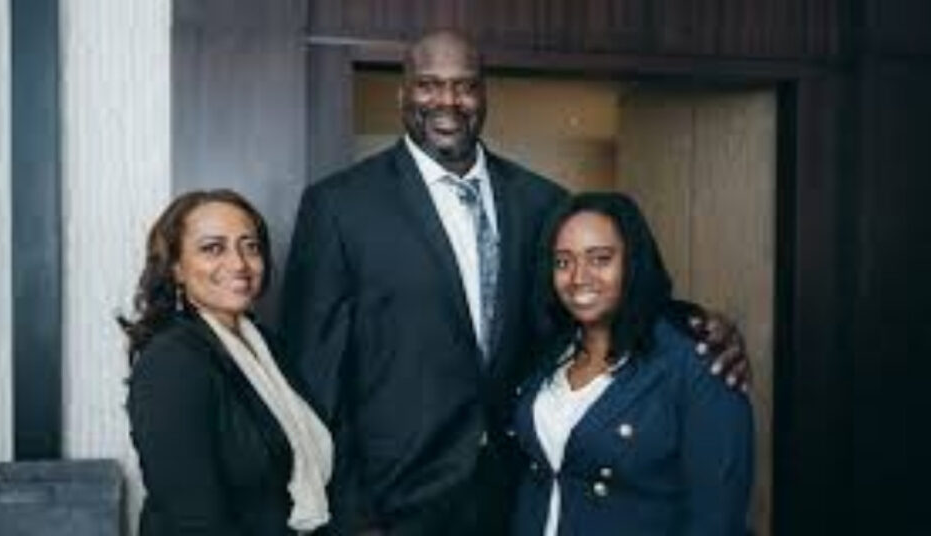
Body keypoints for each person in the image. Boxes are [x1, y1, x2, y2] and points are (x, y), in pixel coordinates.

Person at [281, 30, 747, 535]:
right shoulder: (339, 207)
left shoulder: (541, 202)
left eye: (465, 86)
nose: (447, 102)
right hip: (393, 506)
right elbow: (313, 378)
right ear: (403, 93)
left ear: (484, 95)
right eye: (429, 85)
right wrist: (350, 514)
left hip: (516, 495)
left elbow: (585, 302)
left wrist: (694, 326)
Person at [511, 192, 753, 535]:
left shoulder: (699, 361)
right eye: (563, 262)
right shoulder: (549, 350)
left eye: (600, 259)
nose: (579, 277)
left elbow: (716, 518)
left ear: (633, 262)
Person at [121, 189, 333, 535]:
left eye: (250, 246)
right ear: (176, 268)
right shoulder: (172, 363)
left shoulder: (268, 347)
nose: (239, 264)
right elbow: (194, 520)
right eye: (212, 248)